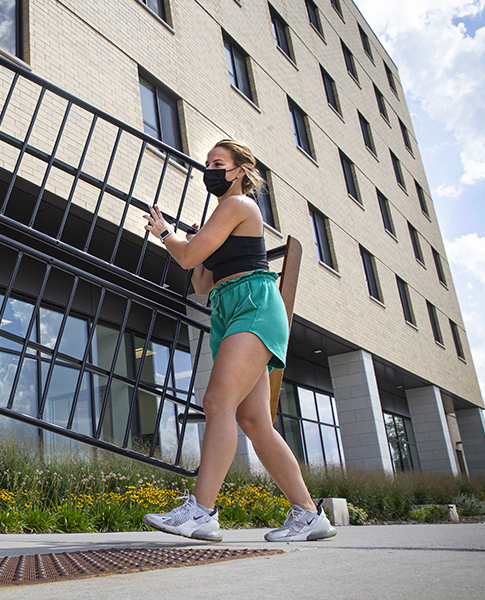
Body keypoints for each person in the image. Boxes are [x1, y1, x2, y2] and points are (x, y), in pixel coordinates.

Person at [141, 139, 336, 543]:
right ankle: (309, 514)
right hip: (228, 308)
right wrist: (195, 244)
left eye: (218, 163)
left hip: (253, 305)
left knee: (217, 402)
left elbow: (187, 256)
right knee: (253, 421)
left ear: (240, 172)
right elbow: (200, 281)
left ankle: (202, 510)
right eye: (207, 163)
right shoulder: (220, 215)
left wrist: (166, 233)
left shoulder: (238, 205)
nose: (209, 169)